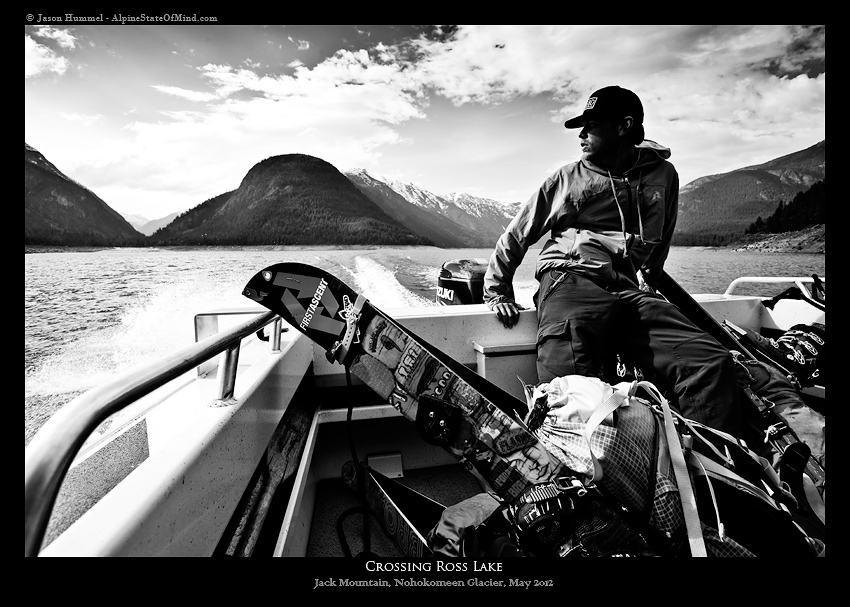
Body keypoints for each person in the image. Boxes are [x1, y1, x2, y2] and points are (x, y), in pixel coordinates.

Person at [483, 85, 744, 437]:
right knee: (574, 390)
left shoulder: (662, 175)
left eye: (590, 124)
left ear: (624, 126)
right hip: (570, 278)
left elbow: (660, 237)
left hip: (627, 288)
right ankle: (581, 476)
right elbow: (518, 233)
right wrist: (497, 290)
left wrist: (650, 280)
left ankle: (712, 468)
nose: (581, 134)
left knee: (709, 362)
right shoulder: (567, 179)